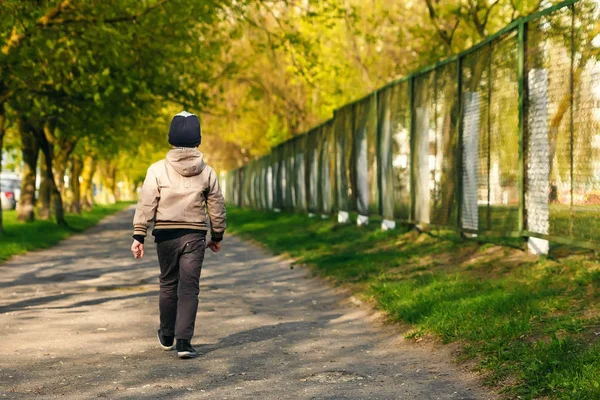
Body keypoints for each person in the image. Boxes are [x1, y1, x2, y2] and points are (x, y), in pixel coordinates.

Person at [130, 111, 226, 359]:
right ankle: (184, 342)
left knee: (168, 284)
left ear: (170, 139)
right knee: (189, 288)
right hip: (194, 235)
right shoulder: (207, 172)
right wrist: (217, 235)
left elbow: (147, 202)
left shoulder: (157, 170)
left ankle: (167, 334)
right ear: (198, 141)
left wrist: (139, 234)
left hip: (166, 236)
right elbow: (216, 206)